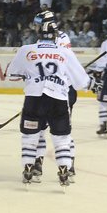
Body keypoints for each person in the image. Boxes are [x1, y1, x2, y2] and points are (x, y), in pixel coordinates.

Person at [6, 21, 90, 187]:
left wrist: (29, 77)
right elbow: (81, 82)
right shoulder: (65, 52)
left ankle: (28, 167)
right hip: (57, 99)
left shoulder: (26, 50)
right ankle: (65, 168)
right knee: (62, 137)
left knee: (30, 136)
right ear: (56, 35)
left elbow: (11, 75)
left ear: (39, 34)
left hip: (33, 98)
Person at [30, 10, 76, 183]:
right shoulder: (56, 38)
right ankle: (62, 166)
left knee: (55, 130)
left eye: (37, 23)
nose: (35, 26)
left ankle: (46, 165)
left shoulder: (59, 40)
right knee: (56, 129)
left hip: (60, 91)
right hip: (54, 90)